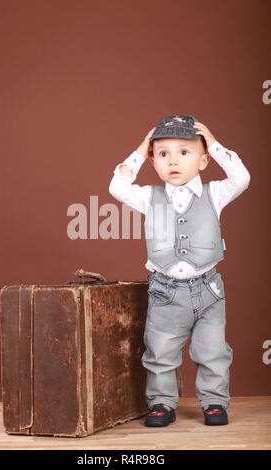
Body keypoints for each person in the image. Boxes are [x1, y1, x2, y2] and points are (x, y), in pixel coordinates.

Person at [108, 115, 250, 426]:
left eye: (184, 152)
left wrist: (213, 142)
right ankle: (162, 403)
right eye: (162, 153)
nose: (173, 160)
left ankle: (214, 402)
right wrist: (139, 151)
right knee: (160, 352)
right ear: (153, 161)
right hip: (166, 292)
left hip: (208, 291)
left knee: (212, 351)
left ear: (203, 161)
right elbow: (117, 186)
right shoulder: (149, 197)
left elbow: (241, 178)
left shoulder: (215, 194)